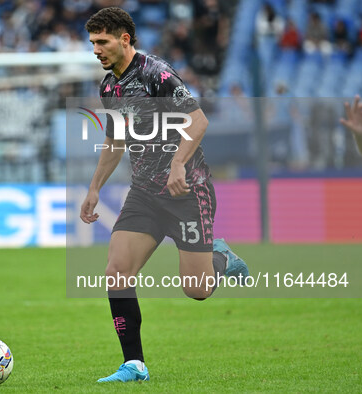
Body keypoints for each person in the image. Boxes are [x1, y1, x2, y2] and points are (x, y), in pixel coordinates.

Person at [80, 7, 250, 383]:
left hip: (187, 191)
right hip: (144, 194)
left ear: (124, 39)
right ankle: (135, 365)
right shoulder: (109, 87)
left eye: (102, 41)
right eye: (93, 42)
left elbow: (198, 120)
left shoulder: (156, 73)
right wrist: (94, 188)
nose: (96, 50)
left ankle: (221, 256)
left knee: (198, 290)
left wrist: (177, 165)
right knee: (116, 272)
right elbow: (116, 139)